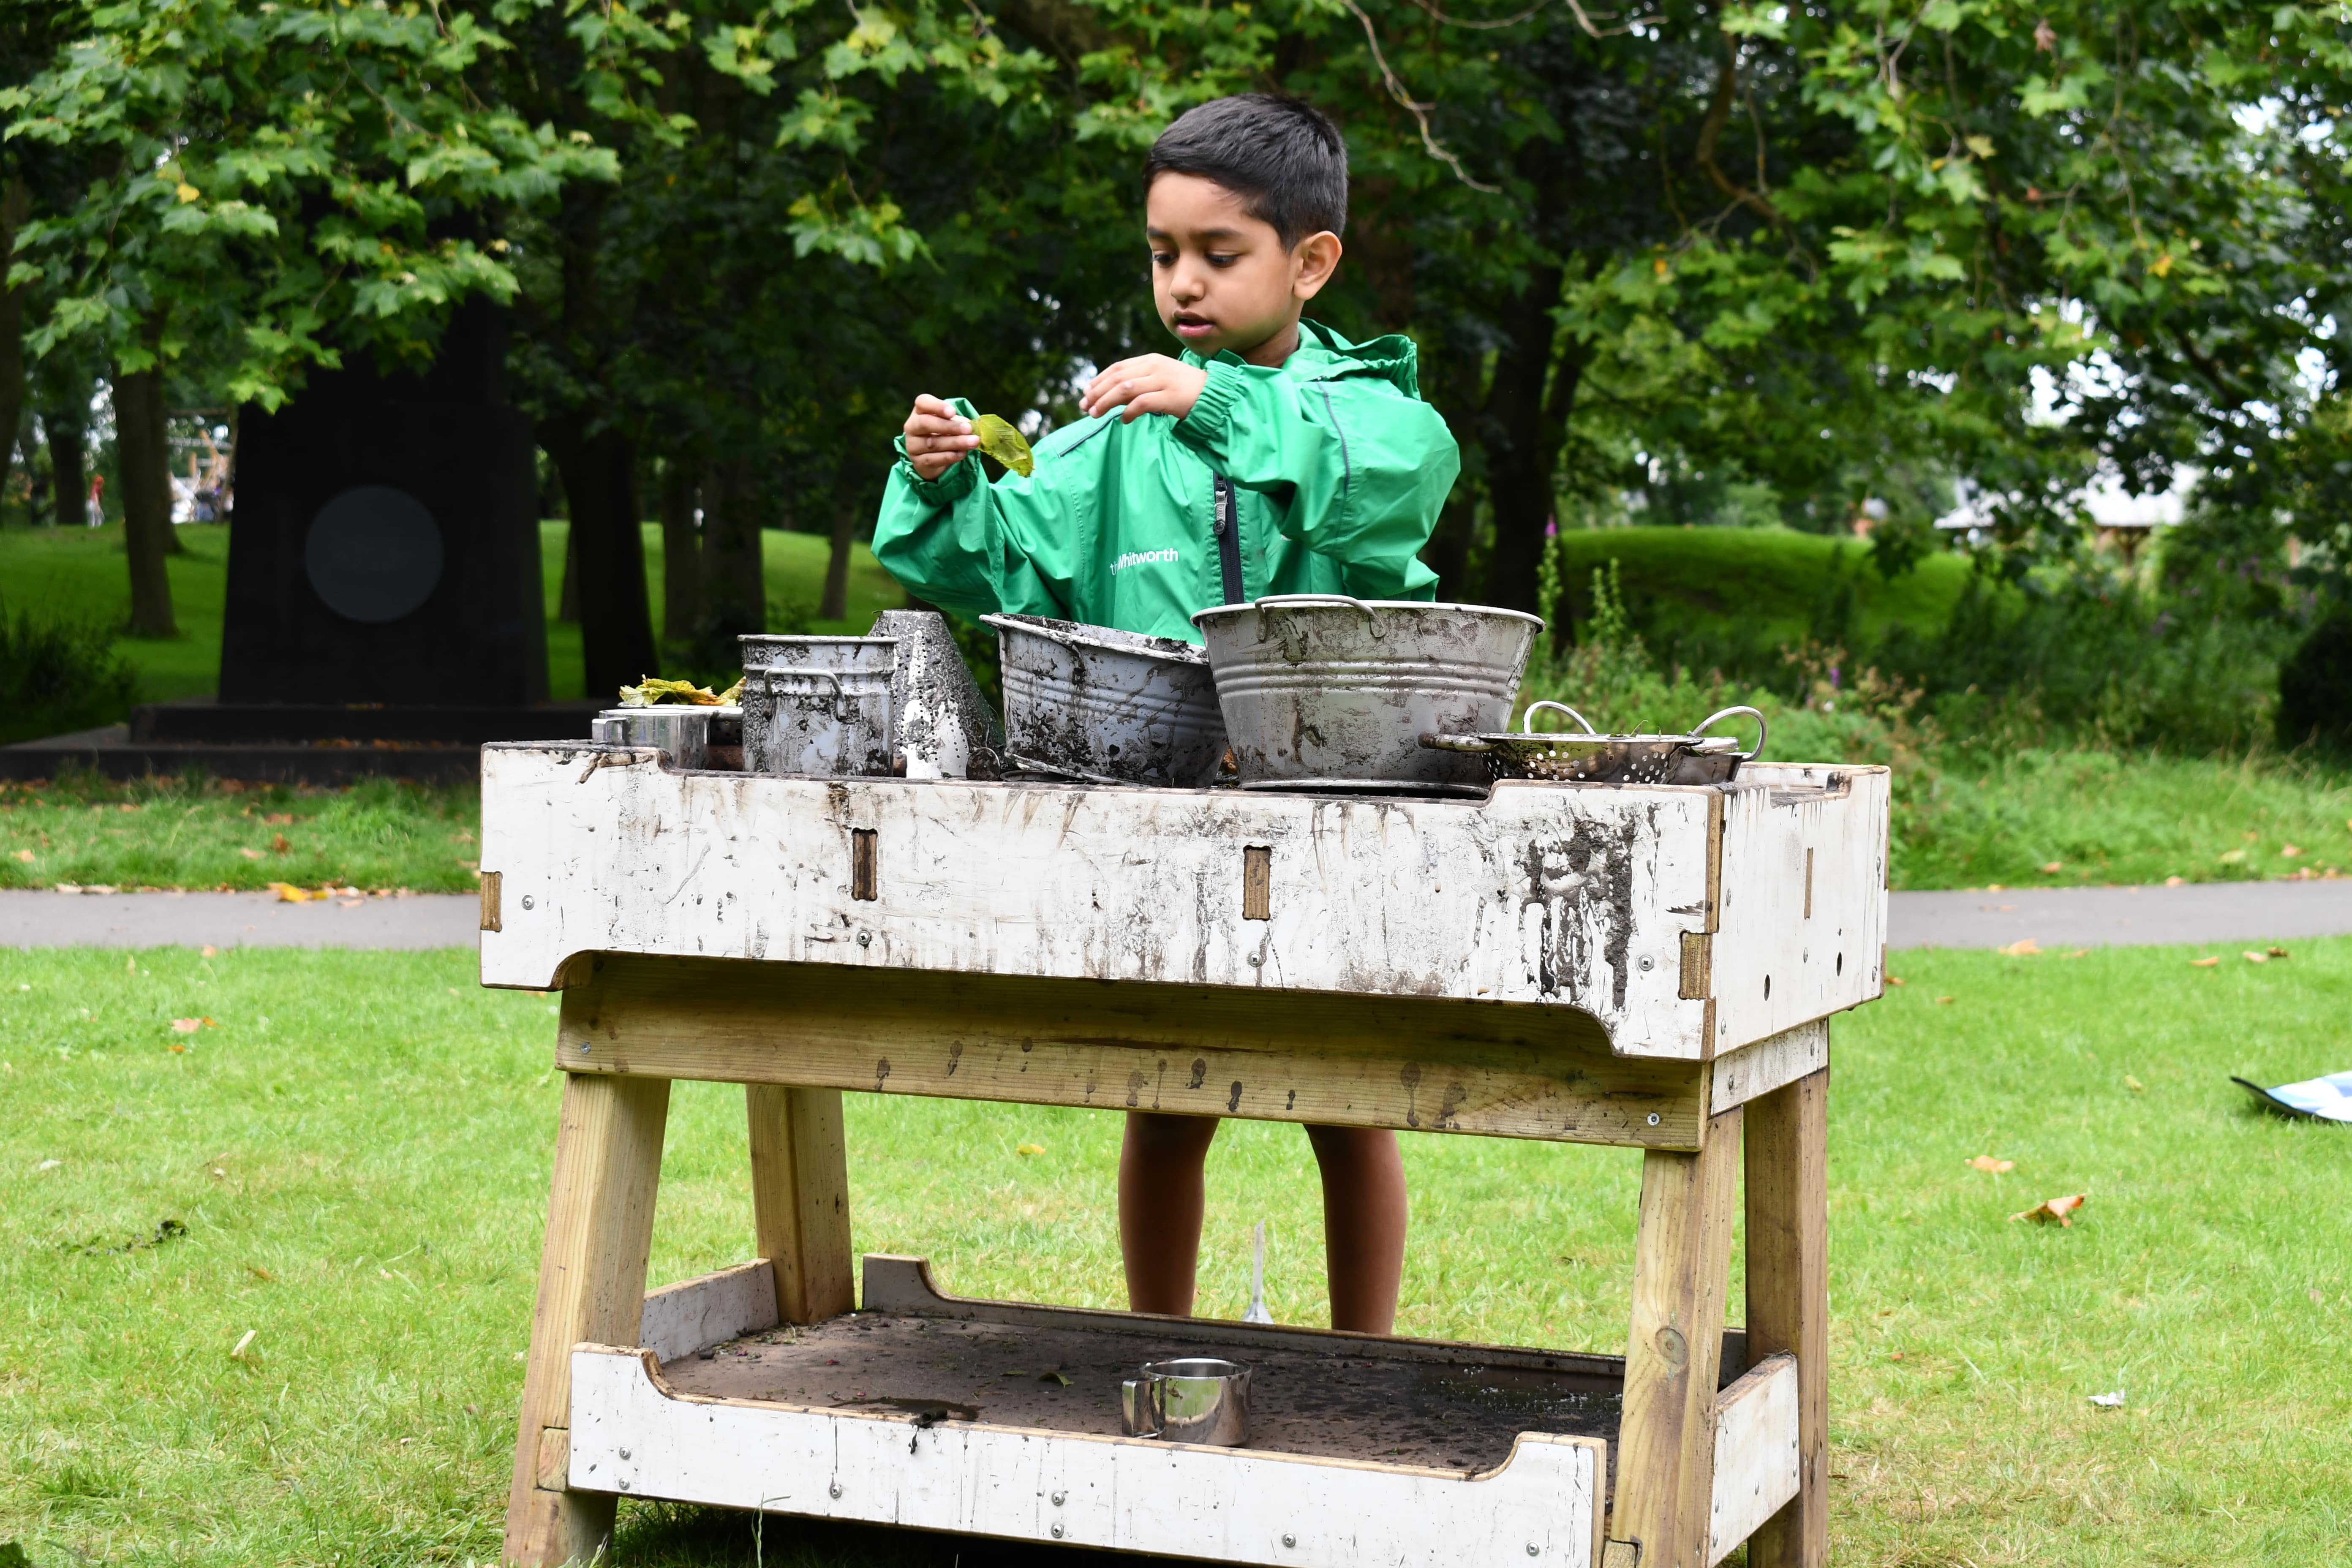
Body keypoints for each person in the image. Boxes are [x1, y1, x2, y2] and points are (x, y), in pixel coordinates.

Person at [872, 94, 1459, 1335]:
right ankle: (1158, 1347)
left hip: (1329, 826)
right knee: (1165, 1095)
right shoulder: (1107, 448)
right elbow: (985, 560)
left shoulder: (1368, 411)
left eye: (1218, 254)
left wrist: (1215, 401)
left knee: (1347, 1107)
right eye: (1161, 254)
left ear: (1312, 263)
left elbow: (1392, 480)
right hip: (1161, 838)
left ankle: (1367, 1364)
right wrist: (938, 478)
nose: (1183, 282)